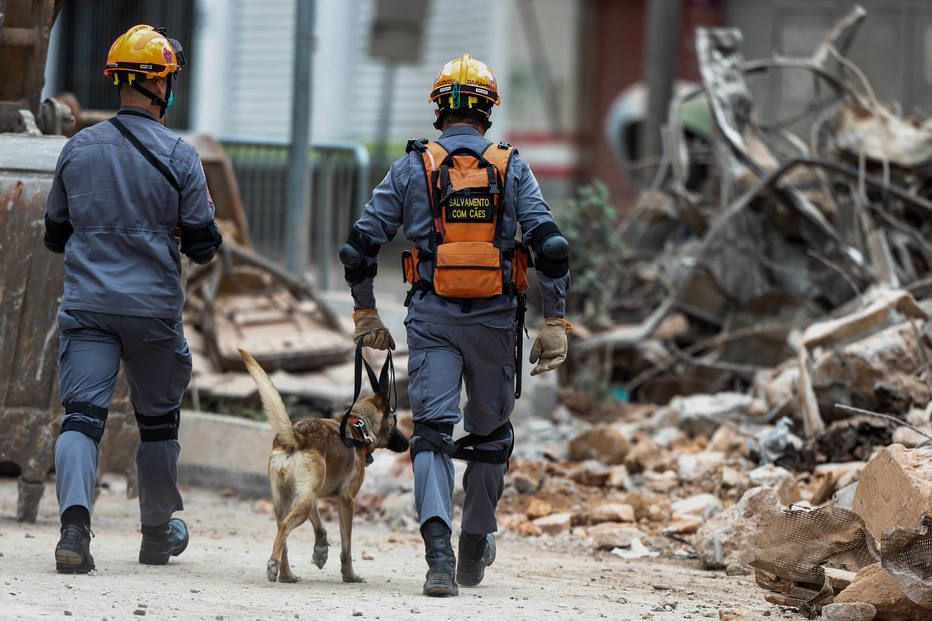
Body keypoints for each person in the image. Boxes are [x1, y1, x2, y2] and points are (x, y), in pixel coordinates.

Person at [340, 54, 571, 596]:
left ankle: (438, 558)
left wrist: (365, 313)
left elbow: (358, 247)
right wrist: (556, 319)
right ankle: (473, 548)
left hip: (432, 318)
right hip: (495, 323)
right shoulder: (511, 166)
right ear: (489, 110)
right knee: (490, 435)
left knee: (432, 433)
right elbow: (551, 246)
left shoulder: (411, 167)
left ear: (439, 109)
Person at [43, 24, 222, 574]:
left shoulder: (77, 147)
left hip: (88, 307)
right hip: (152, 311)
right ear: (160, 85)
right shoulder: (181, 155)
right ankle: (156, 534)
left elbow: (54, 233)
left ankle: (74, 530)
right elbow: (203, 245)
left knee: (81, 418)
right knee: (159, 423)